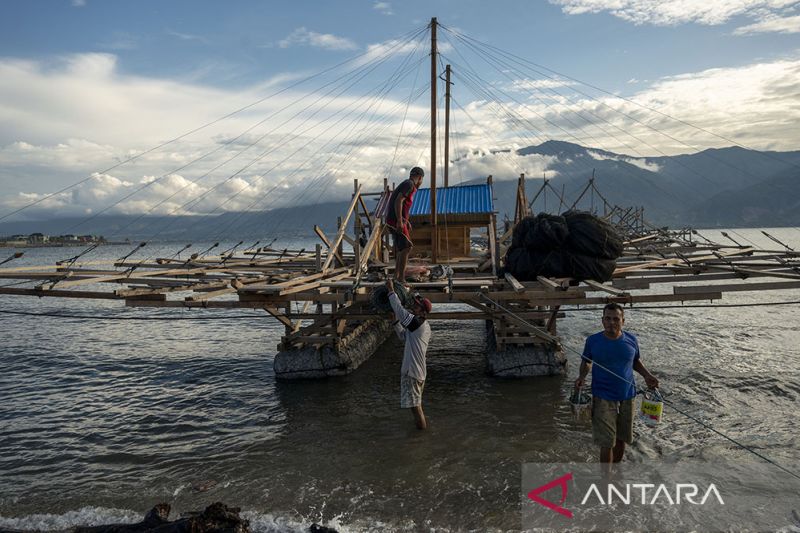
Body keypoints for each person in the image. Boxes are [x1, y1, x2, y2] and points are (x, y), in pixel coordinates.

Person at [574, 303, 659, 464]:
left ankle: (616, 472)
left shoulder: (631, 340)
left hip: (627, 396)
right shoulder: (593, 341)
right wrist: (581, 377)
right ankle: (606, 480)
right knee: (607, 442)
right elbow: (586, 362)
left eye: (616, 319)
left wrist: (647, 375)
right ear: (602, 320)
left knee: (622, 439)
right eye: (608, 318)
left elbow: (635, 362)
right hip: (602, 396)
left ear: (623, 321)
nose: (611, 322)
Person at [386, 278, 432, 430]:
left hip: (412, 372)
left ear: (423, 312)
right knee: (415, 406)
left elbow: (399, 310)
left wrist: (391, 291)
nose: (414, 307)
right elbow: (403, 337)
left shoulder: (417, 323)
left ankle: (421, 438)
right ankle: (421, 431)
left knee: (415, 407)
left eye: (417, 307)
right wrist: (395, 323)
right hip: (417, 372)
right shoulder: (421, 327)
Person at [386, 167, 424, 283]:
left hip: (395, 220)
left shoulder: (406, 184)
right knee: (407, 247)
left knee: (402, 248)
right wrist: (399, 221)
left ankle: (396, 277)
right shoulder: (410, 184)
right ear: (420, 178)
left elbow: (401, 204)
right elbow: (398, 201)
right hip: (394, 221)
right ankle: (401, 279)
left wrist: (405, 220)